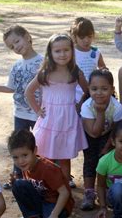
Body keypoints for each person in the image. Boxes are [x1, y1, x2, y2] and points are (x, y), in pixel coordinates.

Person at [8, 129, 116, 218]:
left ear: (35, 151)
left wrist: (54, 215)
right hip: (45, 199)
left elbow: (64, 193)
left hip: (59, 204)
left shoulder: (47, 169)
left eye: (24, 155)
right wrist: (15, 182)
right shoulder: (26, 165)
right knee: (18, 184)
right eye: (15, 157)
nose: (20, 161)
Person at [25, 33, 89, 187]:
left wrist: (79, 104)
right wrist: (37, 110)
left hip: (68, 120)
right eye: (57, 51)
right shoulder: (45, 73)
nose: (62, 54)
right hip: (49, 120)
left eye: (66, 50)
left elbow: (87, 90)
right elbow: (29, 92)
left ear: (72, 51)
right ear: (50, 53)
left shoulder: (75, 72)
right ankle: (45, 186)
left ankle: (64, 187)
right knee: (44, 155)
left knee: (64, 157)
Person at [0, 25, 43, 189]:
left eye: (17, 41)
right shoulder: (16, 66)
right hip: (21, 113)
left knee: (43, 145)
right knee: (18, 146)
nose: (16, 47)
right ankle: (18, 177)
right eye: (12, 46)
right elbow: (11, 87)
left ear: (27, 36)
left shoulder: (44, 62)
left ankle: (47, 175)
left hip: (39, 113)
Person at [80, 69, 122, 210]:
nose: (99, 93)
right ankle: (89, 193)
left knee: (107, 162)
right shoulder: (87, 106)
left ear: (112, 89)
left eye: (104, 89)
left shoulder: (117, 107)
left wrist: (108, 146)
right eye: (94, 89)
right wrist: (100, 113)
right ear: (89, 89)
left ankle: (107, 192)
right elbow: (94, 133)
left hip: (110, 135)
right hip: (90, 134)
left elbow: (119, 129)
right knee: (90, 161)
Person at [70, 17, 106, 103]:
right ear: (75, 36)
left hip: (92, 95)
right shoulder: (71, 52)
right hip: (74, 96)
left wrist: (104, 70)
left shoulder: (96, 52)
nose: (86, 40)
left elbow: (103, 71)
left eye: (89, 36)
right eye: (82, 37)